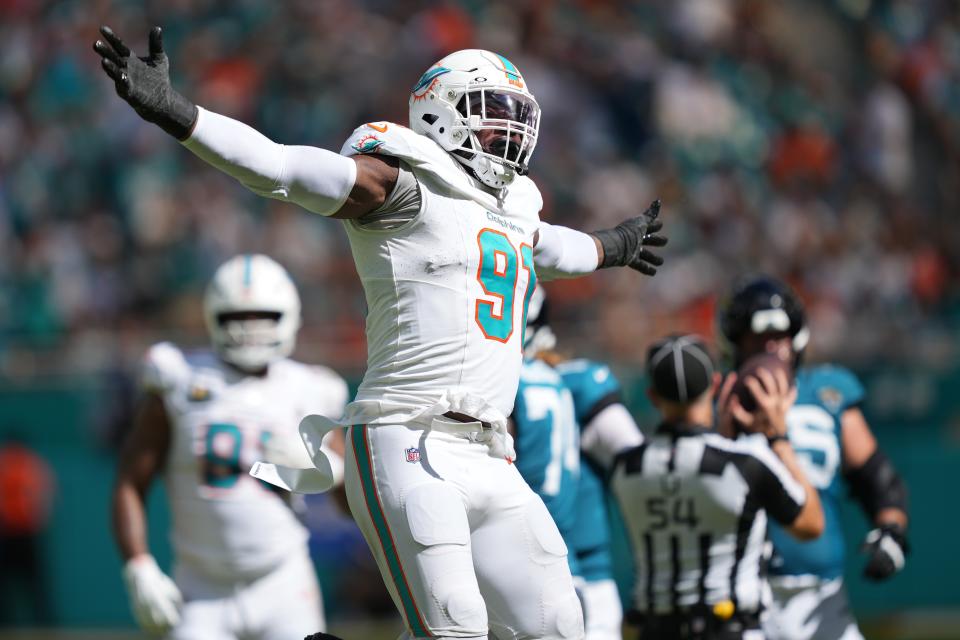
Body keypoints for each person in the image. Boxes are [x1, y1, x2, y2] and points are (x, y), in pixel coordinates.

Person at [93, 26, 669, 640]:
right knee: (457, 626)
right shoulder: (401, 182)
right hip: (407, 434)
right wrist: (180, 114)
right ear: (440, 114)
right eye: (491, 113)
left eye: (515, 117)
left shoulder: (513, 209)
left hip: (491, 449)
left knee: (560, 625)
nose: (509, 131)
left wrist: (617, 245)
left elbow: (556, 247)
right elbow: (279, 165)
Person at [111, 254, 349, 639]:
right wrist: (138, 564)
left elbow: (355, 506)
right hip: (201, 589)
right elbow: (129, 482)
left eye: (264, 315)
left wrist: (332, 470)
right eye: (238, 317)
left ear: (288, 315)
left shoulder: (313, 389)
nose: (252, 328)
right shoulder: (179, 379)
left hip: (283, 583)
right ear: (214, 317)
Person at [718, 276, 910, 640]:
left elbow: (877, 477)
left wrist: (892, 530)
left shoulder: (828, 391)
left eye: (779, 337)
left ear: (798, 337)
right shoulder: (720, 398)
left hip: (823, 599)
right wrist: (724, 431)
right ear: (736, 342)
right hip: (744, 597)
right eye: (757, 339)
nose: (770, 348)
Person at [609, 334, 824, 640]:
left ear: (653, 396)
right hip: (730, 628)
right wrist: (779, 438)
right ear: (715, 384)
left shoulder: (626, 468)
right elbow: (810, 524)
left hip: (655, 630)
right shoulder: (746, 462)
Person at [524, 286, 644, 640]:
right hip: (573, 569)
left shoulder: (521, 385)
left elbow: (634, 456)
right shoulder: (569, 382)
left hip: (577, 570)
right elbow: (643, 463)